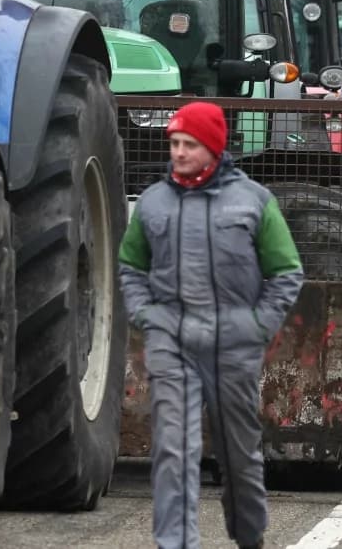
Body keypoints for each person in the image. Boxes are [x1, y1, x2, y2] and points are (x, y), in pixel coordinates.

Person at [118, 101, 304, 549]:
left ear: (214, 147)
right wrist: (147, 316)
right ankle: (175, 543)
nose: (179, 152)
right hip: (172, 342)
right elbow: (130, 268)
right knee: (173, 449)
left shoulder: (254, 201)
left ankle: (249, 534)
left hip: (233, 347)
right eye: (175, 143)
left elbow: (286, 272)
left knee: (238, 453)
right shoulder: (153, 202)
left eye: (190, 144)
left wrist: (258, 326)